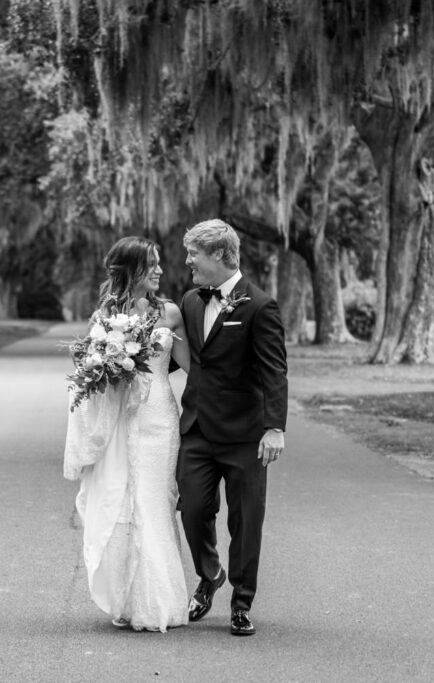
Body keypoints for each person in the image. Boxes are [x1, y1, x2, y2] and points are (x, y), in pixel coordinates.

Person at [63, 236, 190, 632]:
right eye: (151, 264)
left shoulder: (169, 313)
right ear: (131, 269)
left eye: (158, 264)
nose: (160, 271)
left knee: (154, 501)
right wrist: (110, 365)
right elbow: (93, 381)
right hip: (122, 422)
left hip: (160, 420)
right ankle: (130, 599)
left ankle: (160, 601)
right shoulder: (104, 317)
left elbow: (194, 369)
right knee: (125, 503)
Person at [173, 218, 288, 636]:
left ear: (219, 255)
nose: (188, 262)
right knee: (194, 508)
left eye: (193, 254)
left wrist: (275, 427)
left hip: (245, 435)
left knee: (246, 520)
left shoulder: (259, 305)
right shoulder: (189, 300)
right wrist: (123, 355)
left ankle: (242, 603)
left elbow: (275, 371)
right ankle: (210, 575)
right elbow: (179, 356)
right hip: (197, 429)